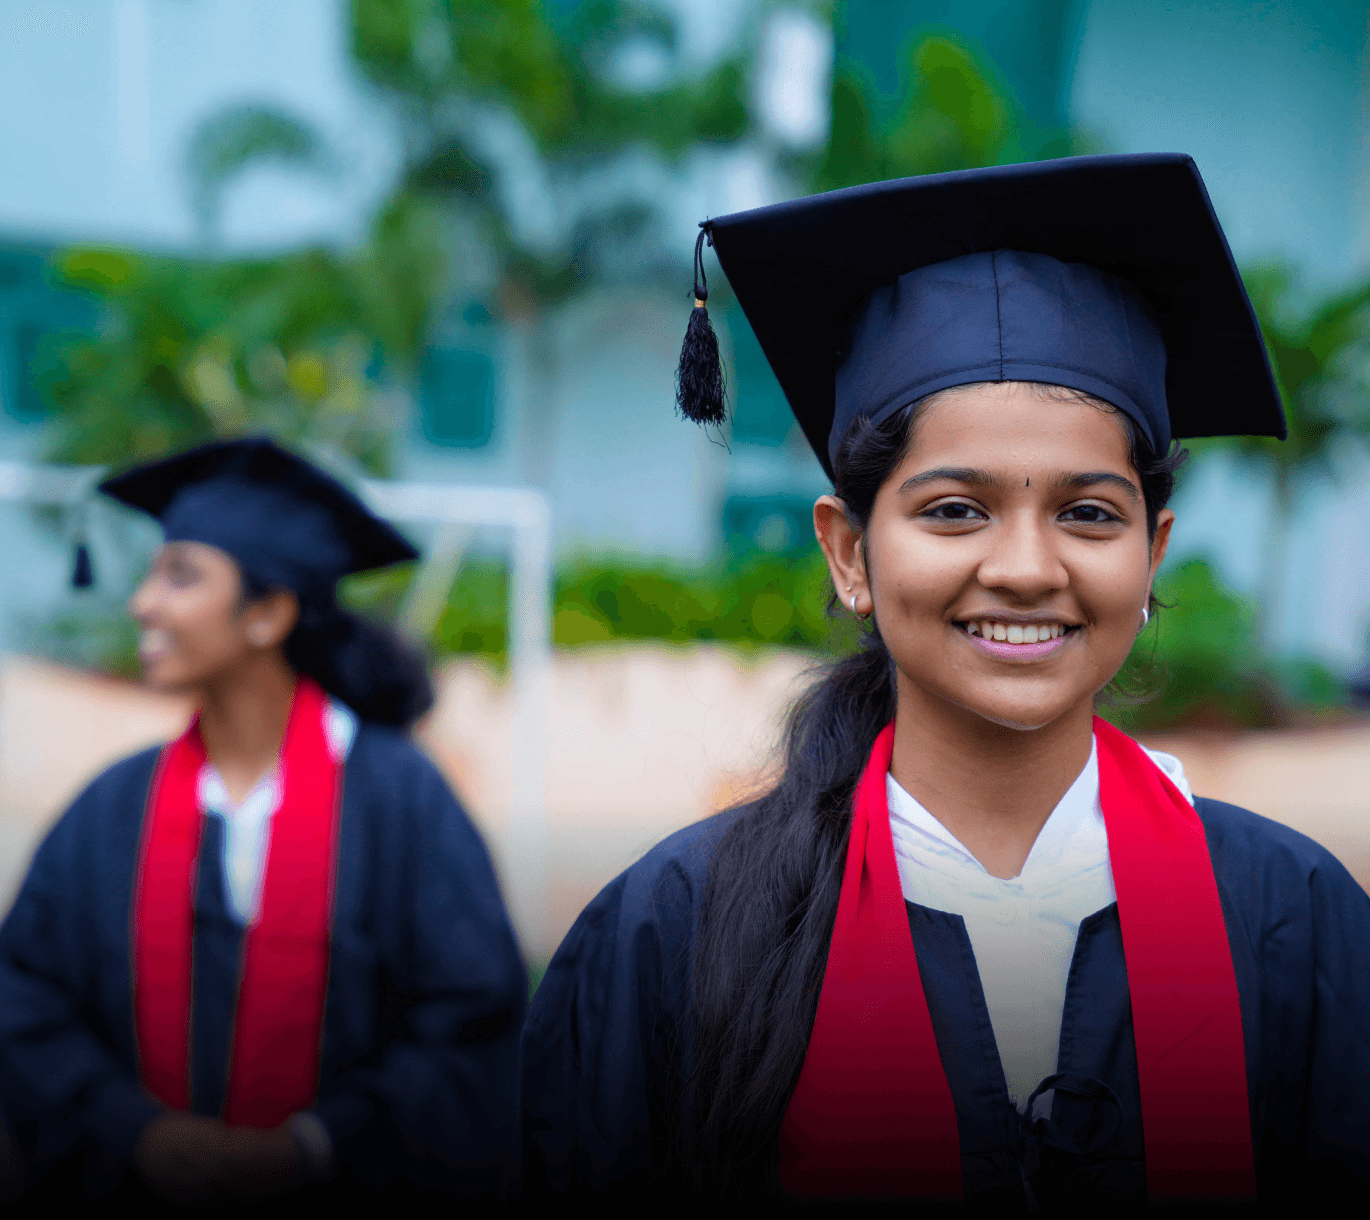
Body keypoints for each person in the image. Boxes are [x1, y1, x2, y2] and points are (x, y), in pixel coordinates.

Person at [518, 154, 1370, 1207]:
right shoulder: (676, 930)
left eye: (1087, 512)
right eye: (952, 509)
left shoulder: (1295, 922)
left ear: (1151, 552)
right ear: (848, 553)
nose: (1023, 565)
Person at [0, 438, 526, 1209]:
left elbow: (471, 1025)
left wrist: (315, 1146)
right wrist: (137, 1130)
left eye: (180, 576)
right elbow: (25, 997)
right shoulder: (114, 807)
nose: (143, 602)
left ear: (269, 614)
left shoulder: (402, 802)